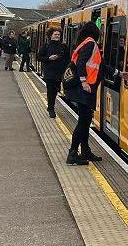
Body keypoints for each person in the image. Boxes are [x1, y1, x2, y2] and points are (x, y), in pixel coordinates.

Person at [65, 21, 123, 165]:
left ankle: (85, 151)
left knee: (85, 121)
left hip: (85, 89)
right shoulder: (90, 44)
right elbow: (81, 63)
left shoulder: (87, 44)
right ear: (95, 33)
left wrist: (119, 73)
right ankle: (72, 153)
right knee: (83, 122)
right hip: (84, 89)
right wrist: (84, 82)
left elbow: (101, 65)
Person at [38, 28, 68, 118]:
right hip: (49, 73)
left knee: (55, 91)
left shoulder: (63, 46)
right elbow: (39, 57)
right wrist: (48, 58)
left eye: (58, 34)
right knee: (51, 91)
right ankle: (51, 108)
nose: (57, 36)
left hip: (59, 73)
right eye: (55, 34)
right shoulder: (46, 46)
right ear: (50, 35)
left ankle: (50, 106)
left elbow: (68, 59)